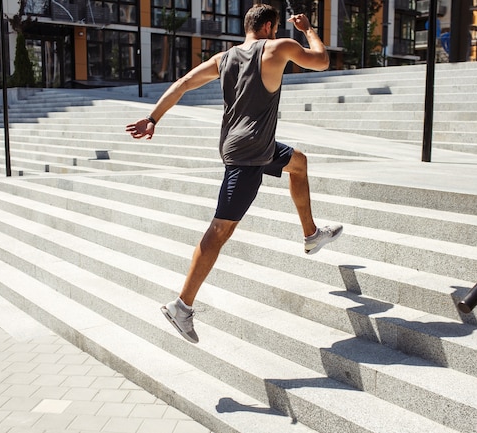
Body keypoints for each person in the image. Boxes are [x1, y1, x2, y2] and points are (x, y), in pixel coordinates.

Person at [125, 4, 342, 344]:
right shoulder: (278, 46)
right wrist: (308, 30)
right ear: (270, 26)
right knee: (220, 229)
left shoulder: (224, 58)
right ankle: (182, 305)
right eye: (274, 27)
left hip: (243, 146)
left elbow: (182, 83)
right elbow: (321, 60)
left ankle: (312, 234)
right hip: (248, 155)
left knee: (298, 163)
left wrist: (152, 118)